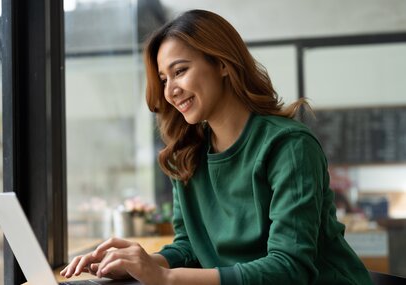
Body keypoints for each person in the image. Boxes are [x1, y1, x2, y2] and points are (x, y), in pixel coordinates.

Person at [61, 9, 372, 285]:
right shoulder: (186, 153)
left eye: (180, 71)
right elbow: (190, 247)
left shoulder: (289, 146)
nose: (171, 90)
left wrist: (165, 278)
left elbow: (289, 269)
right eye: (163, 78)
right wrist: (137, 264)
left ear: (222, 64)